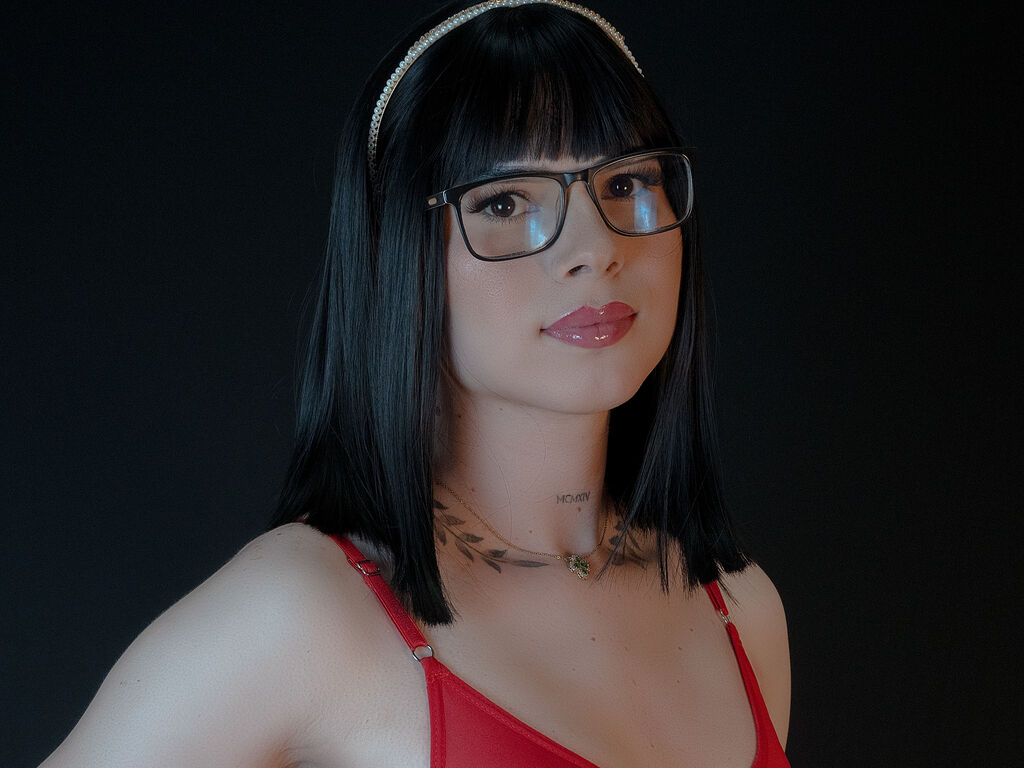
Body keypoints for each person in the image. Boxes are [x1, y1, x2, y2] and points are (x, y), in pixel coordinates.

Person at [39, 1, 791, 766]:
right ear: (396, 250)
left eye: (627, 182)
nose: (594, 248)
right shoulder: (304, 615)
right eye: (505, 201)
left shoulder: (740, 610)